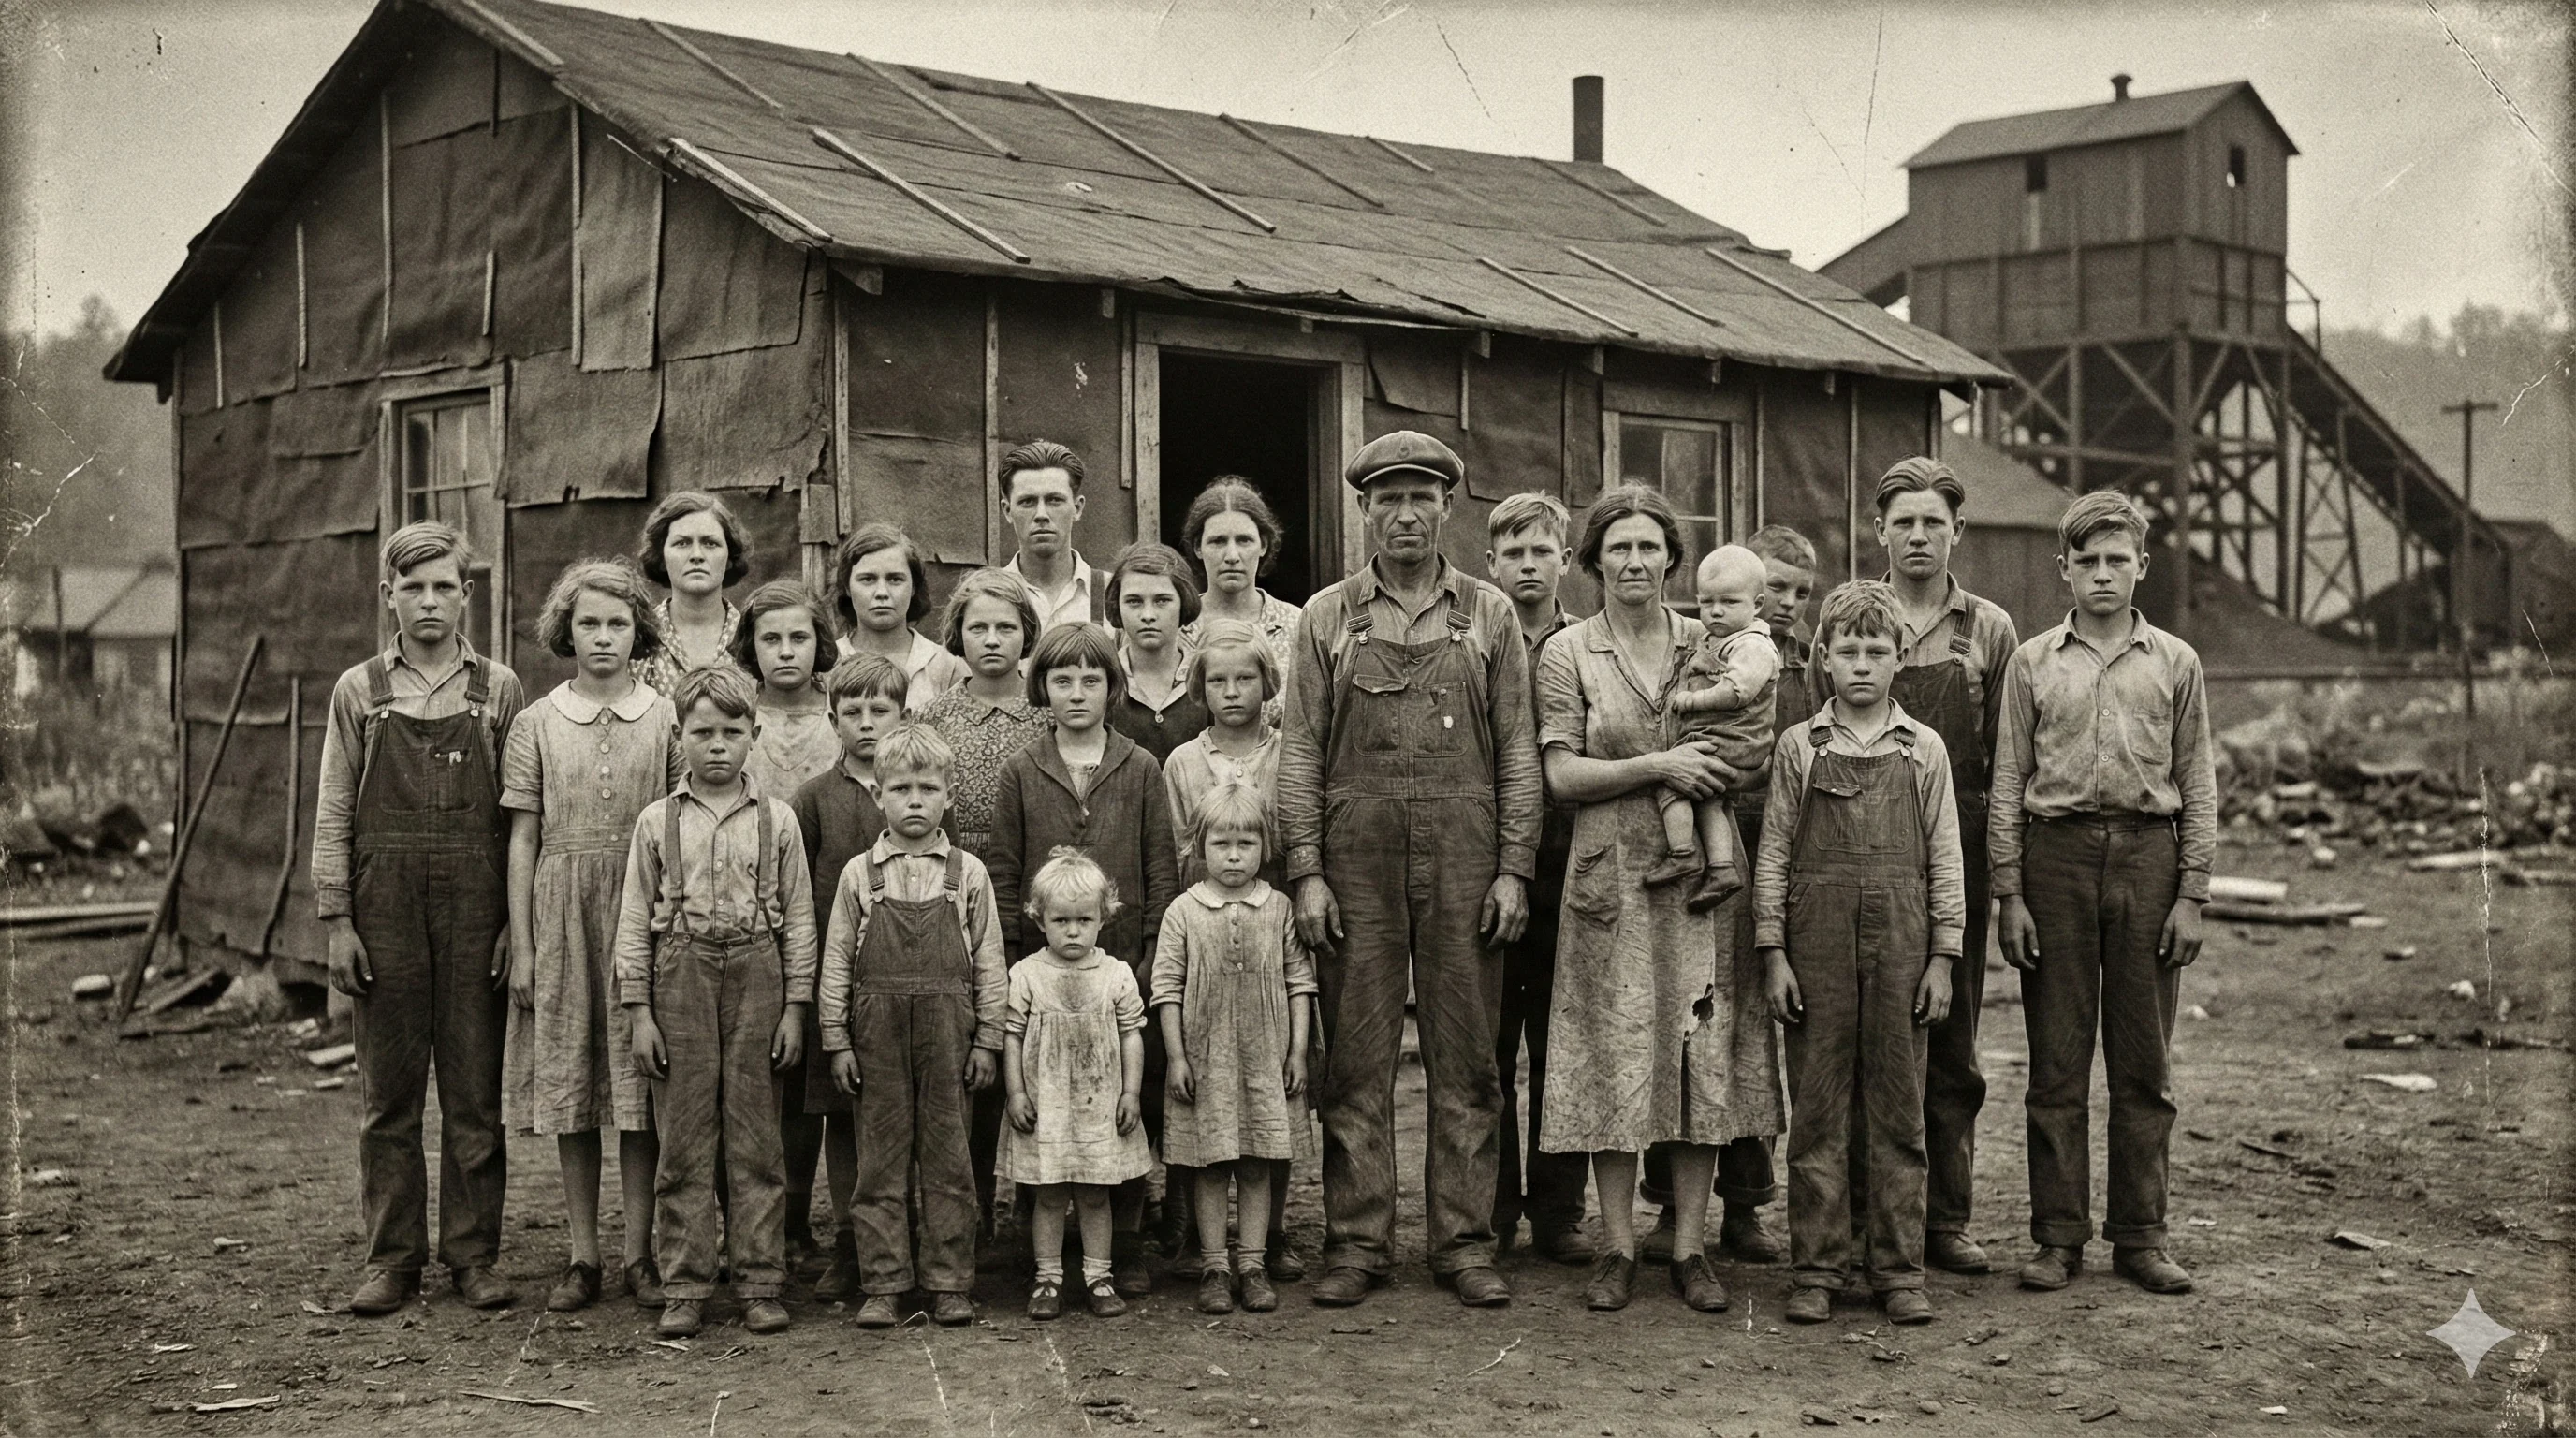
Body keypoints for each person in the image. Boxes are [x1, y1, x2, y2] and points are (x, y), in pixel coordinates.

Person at [1276, 431, 1542, 1310]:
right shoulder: (1326, 616)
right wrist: (1306, 870)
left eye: (1421, 497)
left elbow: (1516, 755)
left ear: (1448, 507)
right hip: (1356, 856)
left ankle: (1463, 1244)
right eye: (1387, 498)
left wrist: (1513, 868)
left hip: (1468, 853)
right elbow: (1302, 750)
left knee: (1468, 1062)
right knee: (1356, 1059)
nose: (1404, 514)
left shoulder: (1491, 614)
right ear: (1362, 510)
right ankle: (1358, 1243)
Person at [1531, 486, 1784, 1315]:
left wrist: (1718, 769)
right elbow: (1561, 777)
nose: (1635, 562)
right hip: (1610, 876)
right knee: (1611, 1055)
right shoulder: (1570, 653)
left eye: (1649, 548)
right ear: (1593, 560)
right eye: (1618, 548)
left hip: (1704, 882)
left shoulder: (1705, 637)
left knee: (1699, 1057)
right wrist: (1658, 769)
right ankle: (1613, 1248)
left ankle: (1687, 1246)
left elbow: (1751, 741)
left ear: (1672, 559)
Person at [1992, 490, 2214, 1298]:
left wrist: (2192, 893)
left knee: (2143, 1063)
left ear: (2142, 567)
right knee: (2055, 1062)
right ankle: (2057, 1237)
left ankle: (2141, 1236)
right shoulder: (2032, 662)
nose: (2102, 574)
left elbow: (2198, 780)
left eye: (2118, 559)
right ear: (2064, 570)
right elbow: (2010, 779)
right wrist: (2009, 893)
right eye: (2086, 561)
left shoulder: (2176, 662)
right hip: (2054, 858)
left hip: (2149, 861)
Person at [316, 521, 525, 1317]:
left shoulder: (498, 689)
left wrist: (514, 921)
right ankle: (393, 1261)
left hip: (477, 905)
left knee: (474, 1091)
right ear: (388, 597)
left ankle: (474, 1257)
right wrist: (339, 918)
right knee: (388, 1095)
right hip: (387, 906)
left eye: (445, 587)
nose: (430, 602)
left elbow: (518, 815)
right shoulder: (359, 690)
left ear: (467, 596)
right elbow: (335, 810)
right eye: (414, 588)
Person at [1754, 581, 1966, 1327]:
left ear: (1901, 657)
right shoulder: (1799, 748)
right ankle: (1817, 1267)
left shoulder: (1925, 749)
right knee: (1817, 1109)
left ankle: (1897, 1269)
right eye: (1850, 652)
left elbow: (1946, 857)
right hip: (1815, 941)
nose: (1865, 665)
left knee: (1898, 1109)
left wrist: (1944, 955)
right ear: (1825, 659)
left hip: (1904, 941)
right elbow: (1774, 854)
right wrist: (1772, 950)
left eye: (1879, 651)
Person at [614, 666, 819, 1339]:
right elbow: (633, 919)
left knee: (759, 1139)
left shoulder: (778, 819)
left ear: (754, 735)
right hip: (681, 979)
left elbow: (800, 917)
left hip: (759, 972)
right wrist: (640, 1011)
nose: (718, 746)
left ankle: (760, 1281)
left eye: (732, 732)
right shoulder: (656, 822)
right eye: (703, 733)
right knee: (684, 1140)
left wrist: (796, 1005)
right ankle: (686, 1284)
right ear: (680, 737)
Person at [501, 560, 681, 1314]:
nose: (603, 638)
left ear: (639, 630)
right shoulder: (537, 721)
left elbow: (680, 825)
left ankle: (640, 1252)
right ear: (565, 631)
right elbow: (522, 838)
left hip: (642, 910)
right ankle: (583, 1255)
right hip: (562, 910)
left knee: (638, 1091)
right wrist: (526, 944)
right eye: (588, 624)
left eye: (616, 624)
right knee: (573, 1085)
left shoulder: (667, 715)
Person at [1639, 525, 1814, 1267]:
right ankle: (1670, 1207)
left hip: (1767, 837)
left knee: (1745, 1032)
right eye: (1775, 589)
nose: (1785, 604)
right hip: (1705, 835)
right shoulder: (1704, 641)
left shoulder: (1806, 661)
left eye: (1799, 593)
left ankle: (1745, 1204)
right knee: (1679, 1021)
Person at [988, 621, 1180, 1297]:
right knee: (1041, 1103)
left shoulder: (1141, 767)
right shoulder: (1022, 769)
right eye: (1063, 679)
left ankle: (1123, 1244)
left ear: (1111, 686)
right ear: (1042, 686)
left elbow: (1162, 873)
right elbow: (1006, 875)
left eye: (1091, 679)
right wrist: (1010, 973)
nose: (1077, 692)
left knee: (1120, 1104)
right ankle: (1034, 1247)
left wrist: (1157, 961)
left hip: (1117, 975)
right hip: (1040, 986)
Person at [1868, 457, 2020, 1277]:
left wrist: (2000, 876)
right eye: (1904, 521)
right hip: (1860, 851)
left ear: (1957, 531)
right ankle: (1872, 1220)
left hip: (1954, 849)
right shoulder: (1855, 616)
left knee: (1952, 1041)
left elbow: (2003, 767)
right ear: (1880, 530)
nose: (1919, 535)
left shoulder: (1988, 629)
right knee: (1869, 1036)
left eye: (1934, 522)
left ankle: (1945, 1220)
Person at [817, 723, 1007, 1329]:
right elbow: (836, 964)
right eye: (902, 788)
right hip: (877, 1038)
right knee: (880, 1159)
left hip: (951, 1035)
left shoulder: (967, 873)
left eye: (929, 788)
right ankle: (883, 1281)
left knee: (950, 1159)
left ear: (951, 795)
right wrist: (837, 1041)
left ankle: (951, 1281)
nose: (916, 800)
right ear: (879, 795)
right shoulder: (859, 875)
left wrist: (989, 1040)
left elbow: (991, 964)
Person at [1160, 618, 1302, 1282]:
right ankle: (1203, 1244)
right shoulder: (1184, 762)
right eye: (1217, 680)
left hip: (1277, 924)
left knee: (1275, 1095)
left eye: (1245, 677)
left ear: (1268, 682)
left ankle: (1272, 1238)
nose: (1232, 691)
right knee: (1211, 1104)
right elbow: (1175, 848)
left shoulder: (1287, 750)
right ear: (1200, 687)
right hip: (1205, 929)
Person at [915, 568, 1053, 1239]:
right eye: (978, 628)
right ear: (958, 637)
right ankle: (964, 1214)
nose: (992, 640)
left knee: (1028, 1047)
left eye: (1006, 627)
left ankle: (1037, 1212)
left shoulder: (1048, 712)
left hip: (1034, 894)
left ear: (1027, 634)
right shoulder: (934, 715)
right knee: (968, 1052)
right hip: (953, 895)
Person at [1152, 782, 1315, 1315]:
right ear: (1200, 846)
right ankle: (1215, 1265)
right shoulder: (1183, 911)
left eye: (1246, 844)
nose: (1234, 856)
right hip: (1206, 1059)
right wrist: (1177, 1056)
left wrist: (1296, 1052)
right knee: (1210, 1163)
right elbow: (1167, 989)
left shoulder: (1280, 909)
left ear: (1265, 848)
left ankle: (1253, 1261)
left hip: (1264, 1057)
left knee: (1257, 1161)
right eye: (1221, 844)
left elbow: (1299, 983)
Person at [1481, 491, 1592, 1268]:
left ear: (1562, 561)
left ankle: (1558, 1213)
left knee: (1562, 1049)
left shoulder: (1587, 646)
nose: (1527, 566)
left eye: (1541, 552)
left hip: (1571, 872)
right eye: (1513, 553)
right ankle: (1490, 1212)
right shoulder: (1474, 639)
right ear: (1491, 563)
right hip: (1484, 873)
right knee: (1487, 1052)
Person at [787, 653, 914, 1301]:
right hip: (840, 987)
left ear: (903, 715)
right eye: (853, 712)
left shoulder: (920, 790)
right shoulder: (813, 799)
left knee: (900, 1110)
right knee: (842, 1113)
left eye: (881, 710)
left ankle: (897, 1233)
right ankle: (847, 1237)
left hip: (909, 986)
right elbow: (802, 898)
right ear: (831, 719)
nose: (867, 724)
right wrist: (810, 988)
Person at [1003, 849, 1154, 1320]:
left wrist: (1130, 1092)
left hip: (1098, 1105)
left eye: (1084, 920)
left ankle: (1098, 1275)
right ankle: (1047, 1278)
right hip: (1045, 1106)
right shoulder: (1027, 974)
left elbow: (1132, 1034)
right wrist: (1016, 1093)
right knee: (1047, 1194)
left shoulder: (1116, 974)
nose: (1073, 931)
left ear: (1102, 920)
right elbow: (1011, 1037)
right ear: (1040, 920)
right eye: (1061, 920)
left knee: (1094, 1193)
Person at [1645, 546, 1779, 913]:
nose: (1715, 611)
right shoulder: (1718, 638)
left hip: (1736, 737)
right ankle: (1722, 868)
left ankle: (1682, 852)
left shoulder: (1753, 645)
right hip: (1727, 738)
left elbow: (1737, 692)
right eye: (1706, 603)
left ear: (1757, 603)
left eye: (1729, 602)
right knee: (1710, 799)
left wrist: (1693, 701)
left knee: (1671, 777)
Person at [830, 522, 968, 712]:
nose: (881, 592)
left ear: (913, 587)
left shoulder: (945, 666)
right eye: (867, 579)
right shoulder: (828, 664)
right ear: (847, 587)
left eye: (895, 579)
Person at [1178, 476, 1304, 682]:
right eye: (1218, 541)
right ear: (1198, 547)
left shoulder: (1296, 625)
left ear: (1263, 545)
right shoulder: (1177, 626)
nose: (1232, 556)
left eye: (1244, 540)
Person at [732, 580, 841, 810]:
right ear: (752, 645)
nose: (786, 653)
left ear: (819, 641)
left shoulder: (843, 712)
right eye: (771, 639)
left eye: (799, 638)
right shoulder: (734, 714)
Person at [634, 491, 753, 696]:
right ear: (661, 557)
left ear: (730, 557)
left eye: (710, 543)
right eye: (682, 543)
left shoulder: (752, 637)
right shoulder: (639, 638)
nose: (697, 555)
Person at [1105, 542, 1212, 766]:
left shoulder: (1208, 677)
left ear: (1184, 603)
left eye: (1162, 600)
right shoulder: (1104, 681)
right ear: (1117, 605)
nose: (1148, 615)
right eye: (1134, 601)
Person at [999, 440, 1109, 632]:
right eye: (1027, 502)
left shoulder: (1113, 593)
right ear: (1008, 511)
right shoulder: (986, 596)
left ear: (1077, 508)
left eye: (1054, 500)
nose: (1041, 514)